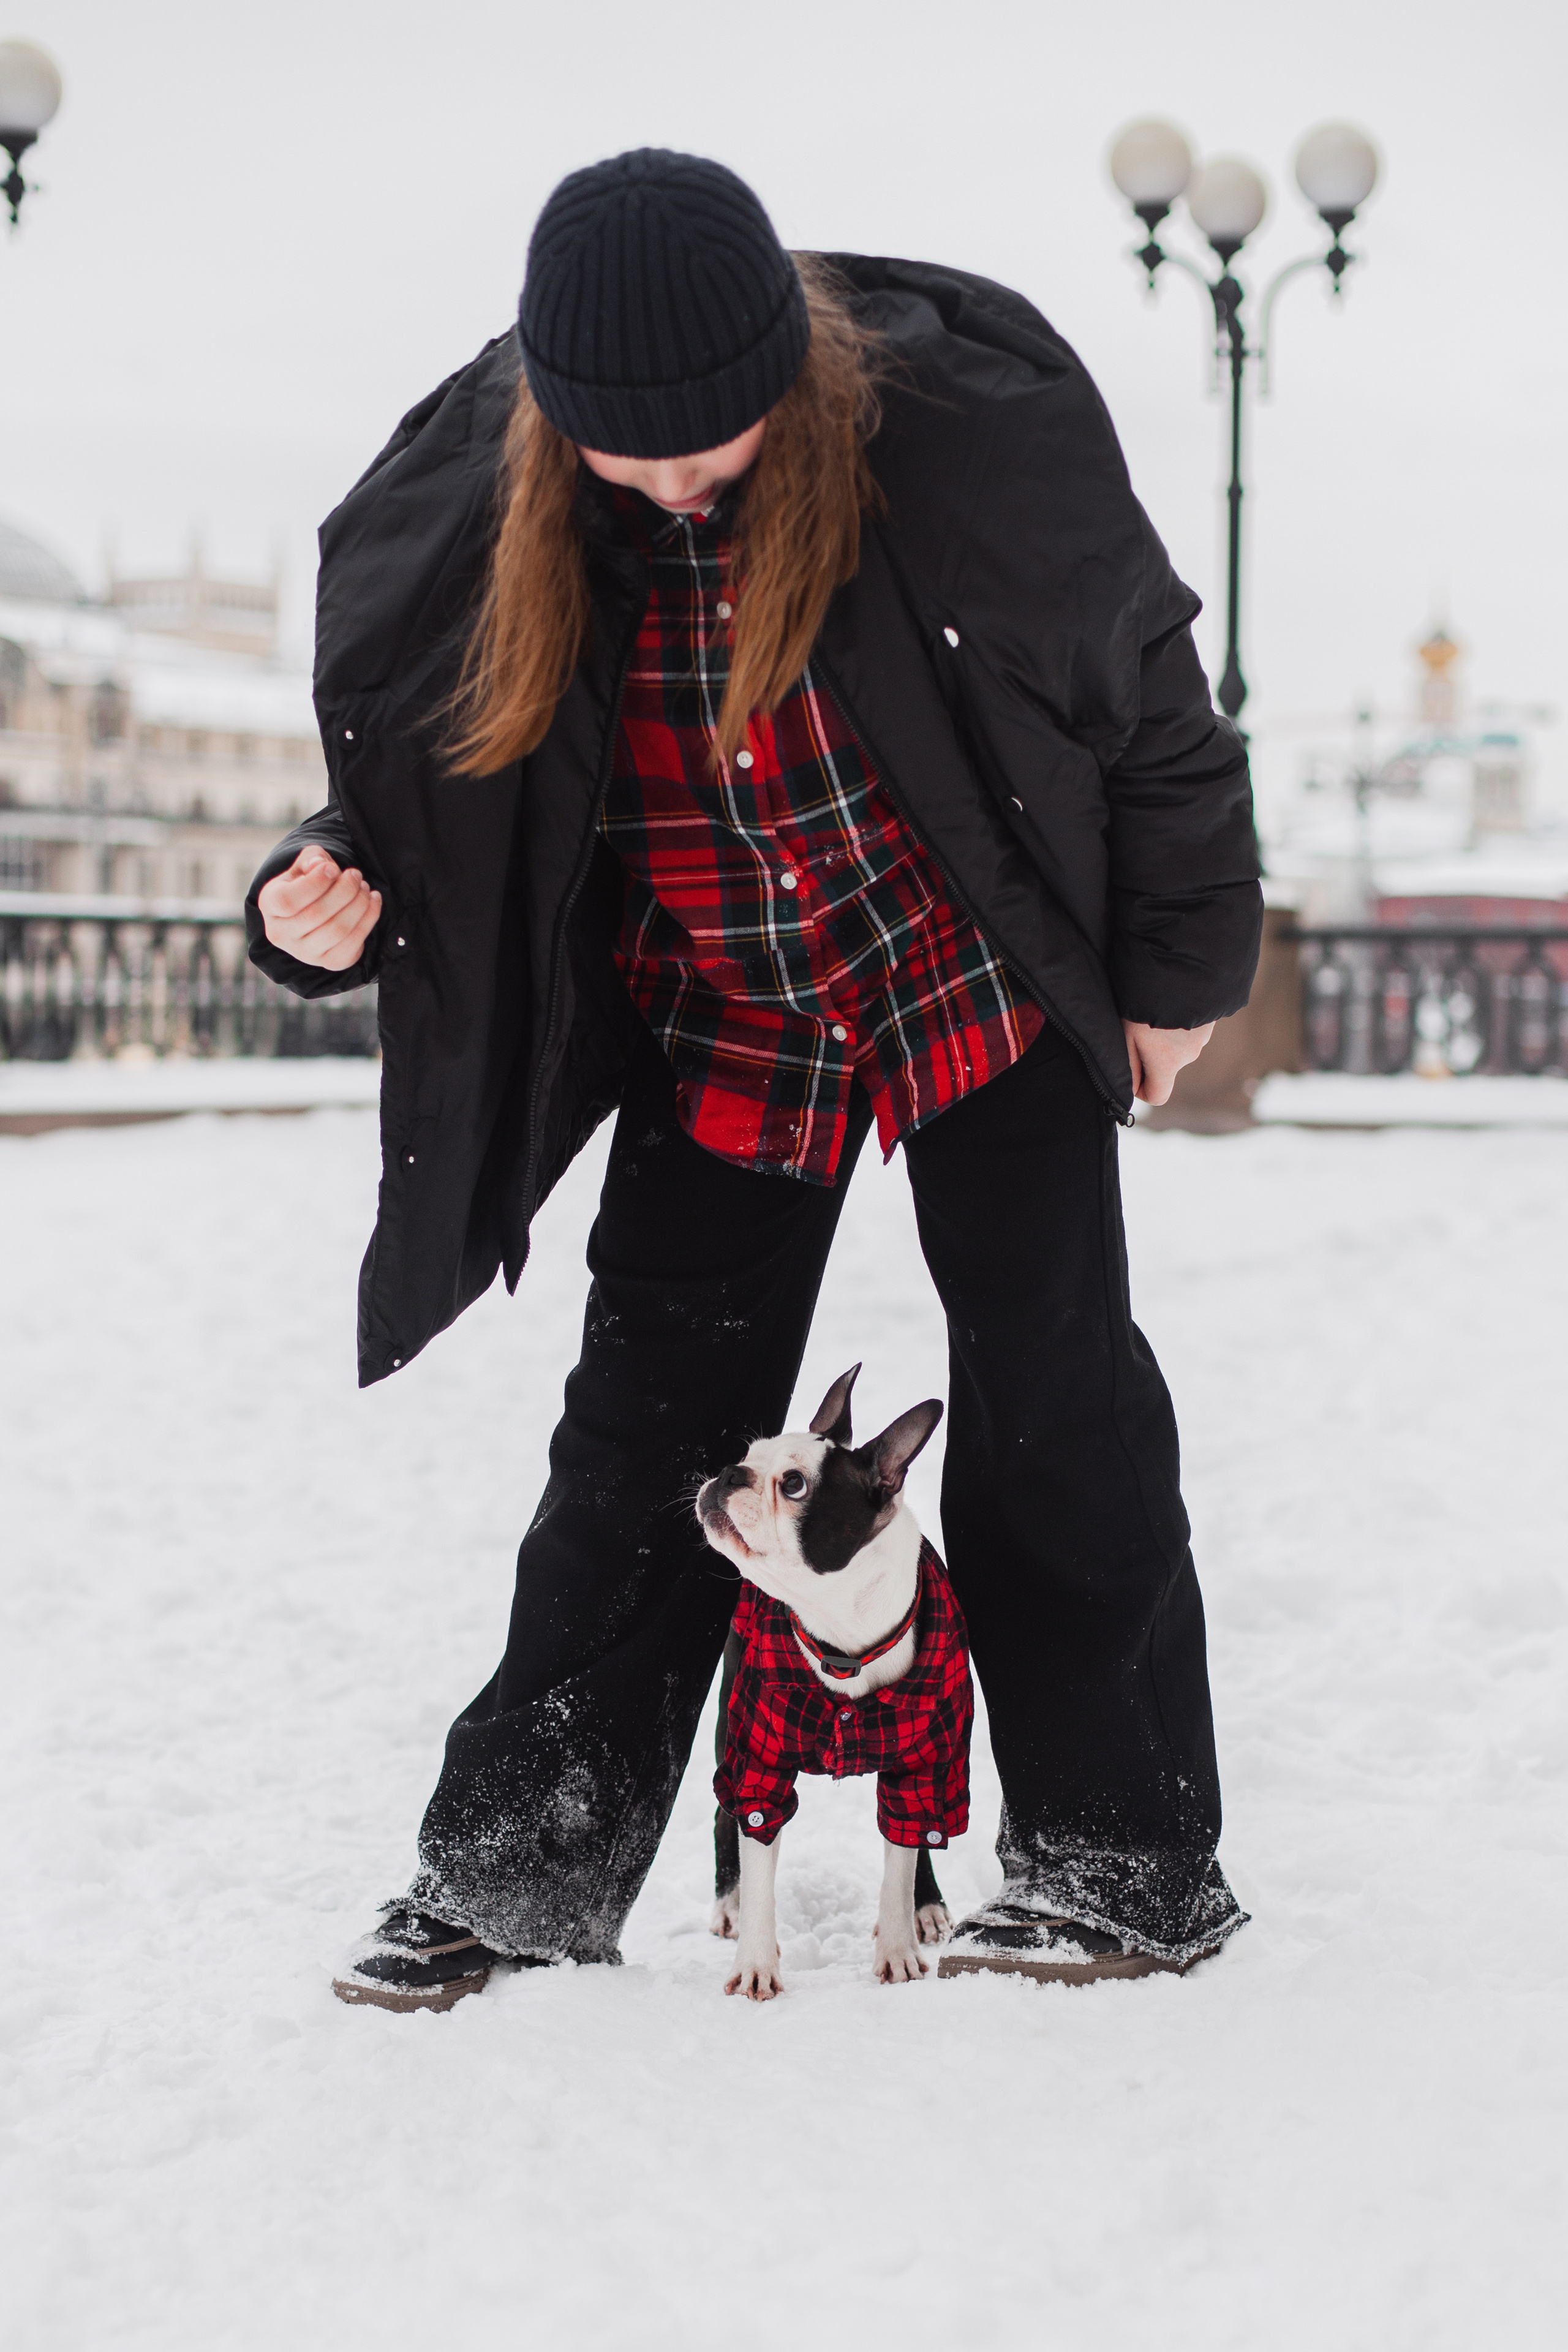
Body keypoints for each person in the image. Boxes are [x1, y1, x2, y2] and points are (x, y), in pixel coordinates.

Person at [250, 149, 1261, 2011]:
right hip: (730, 1003)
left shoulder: (961, 445)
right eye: (628, 453)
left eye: (715, 445)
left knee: (1055, 1399)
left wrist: (1184, 973)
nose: (673, 480)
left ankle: (1127, 1866)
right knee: (642, 1436)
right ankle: (515, 1874)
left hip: (964, 964)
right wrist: (323, 886)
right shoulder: (484, 507)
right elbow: (422, 786)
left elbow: (1157, 719)